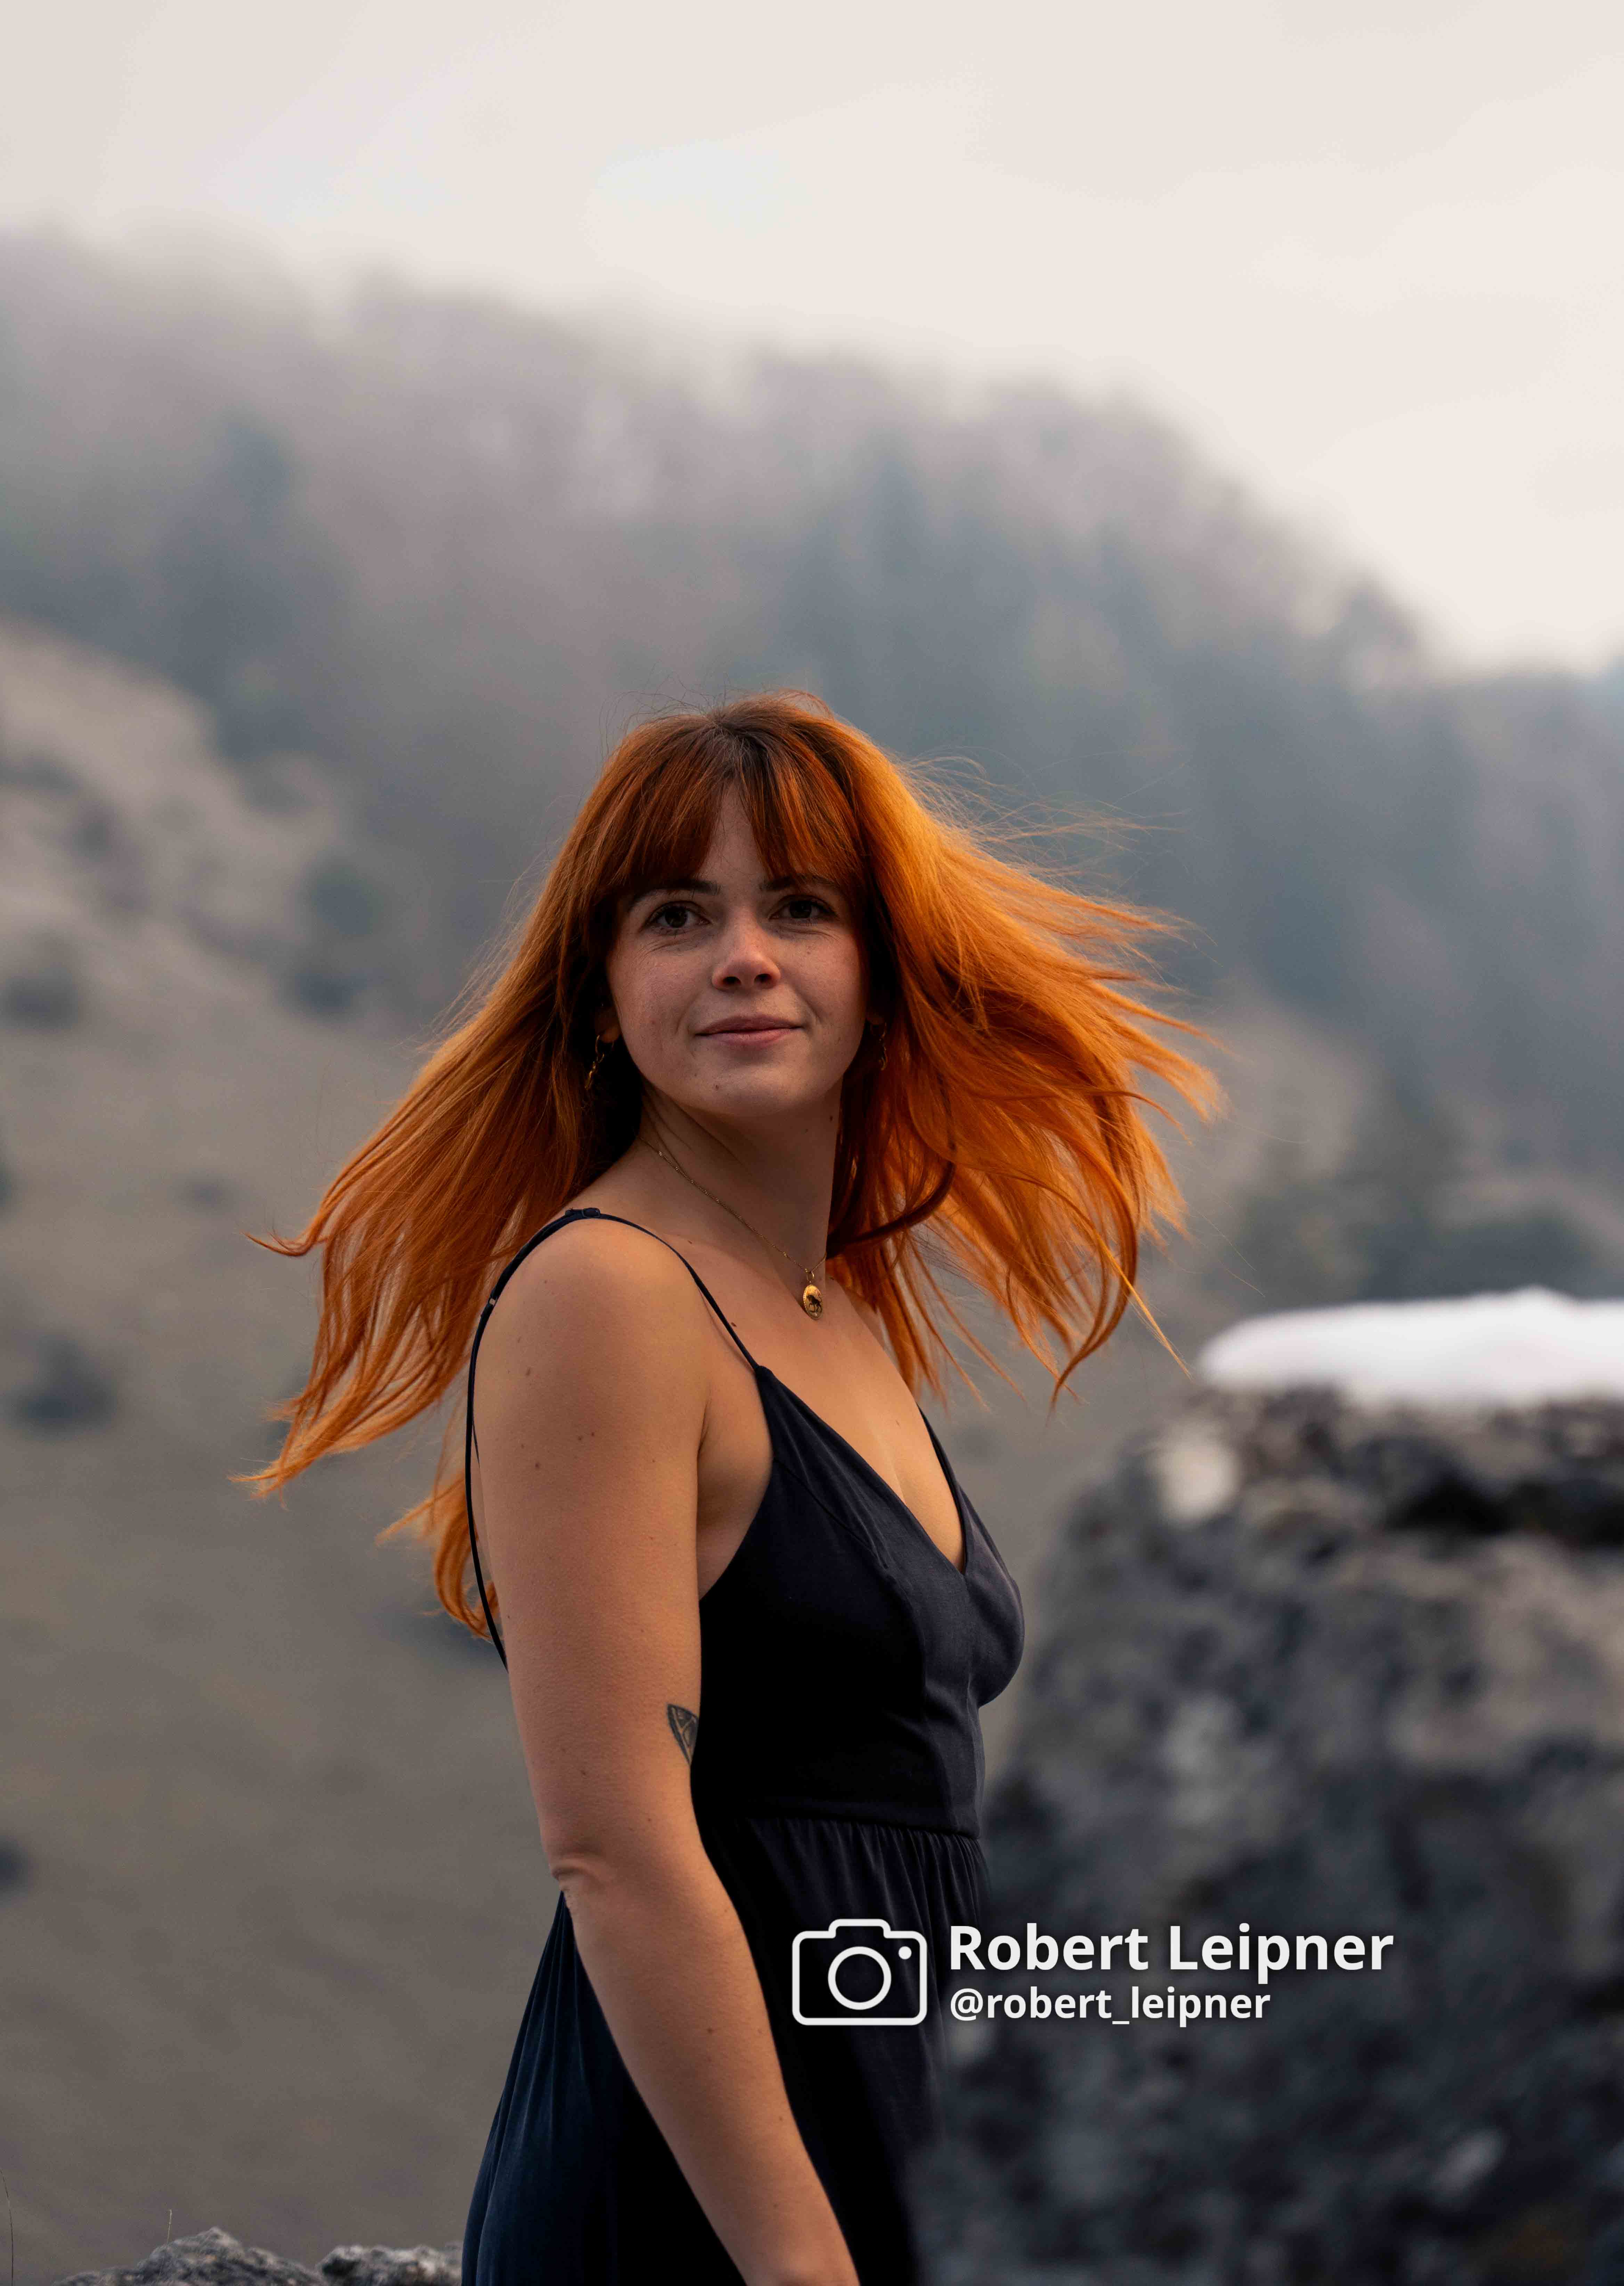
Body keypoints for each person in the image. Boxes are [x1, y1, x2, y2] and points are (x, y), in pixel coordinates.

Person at [252, 692, 1220, 2286]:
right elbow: (616, 1853)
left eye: (802, 909)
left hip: (899, 2114)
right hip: (717, 2188)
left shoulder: (833, 1303)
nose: (745, 956)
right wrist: (799, 2264)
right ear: (601, 991)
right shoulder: (608, 1296)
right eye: (677, 915)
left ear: (881, 970)